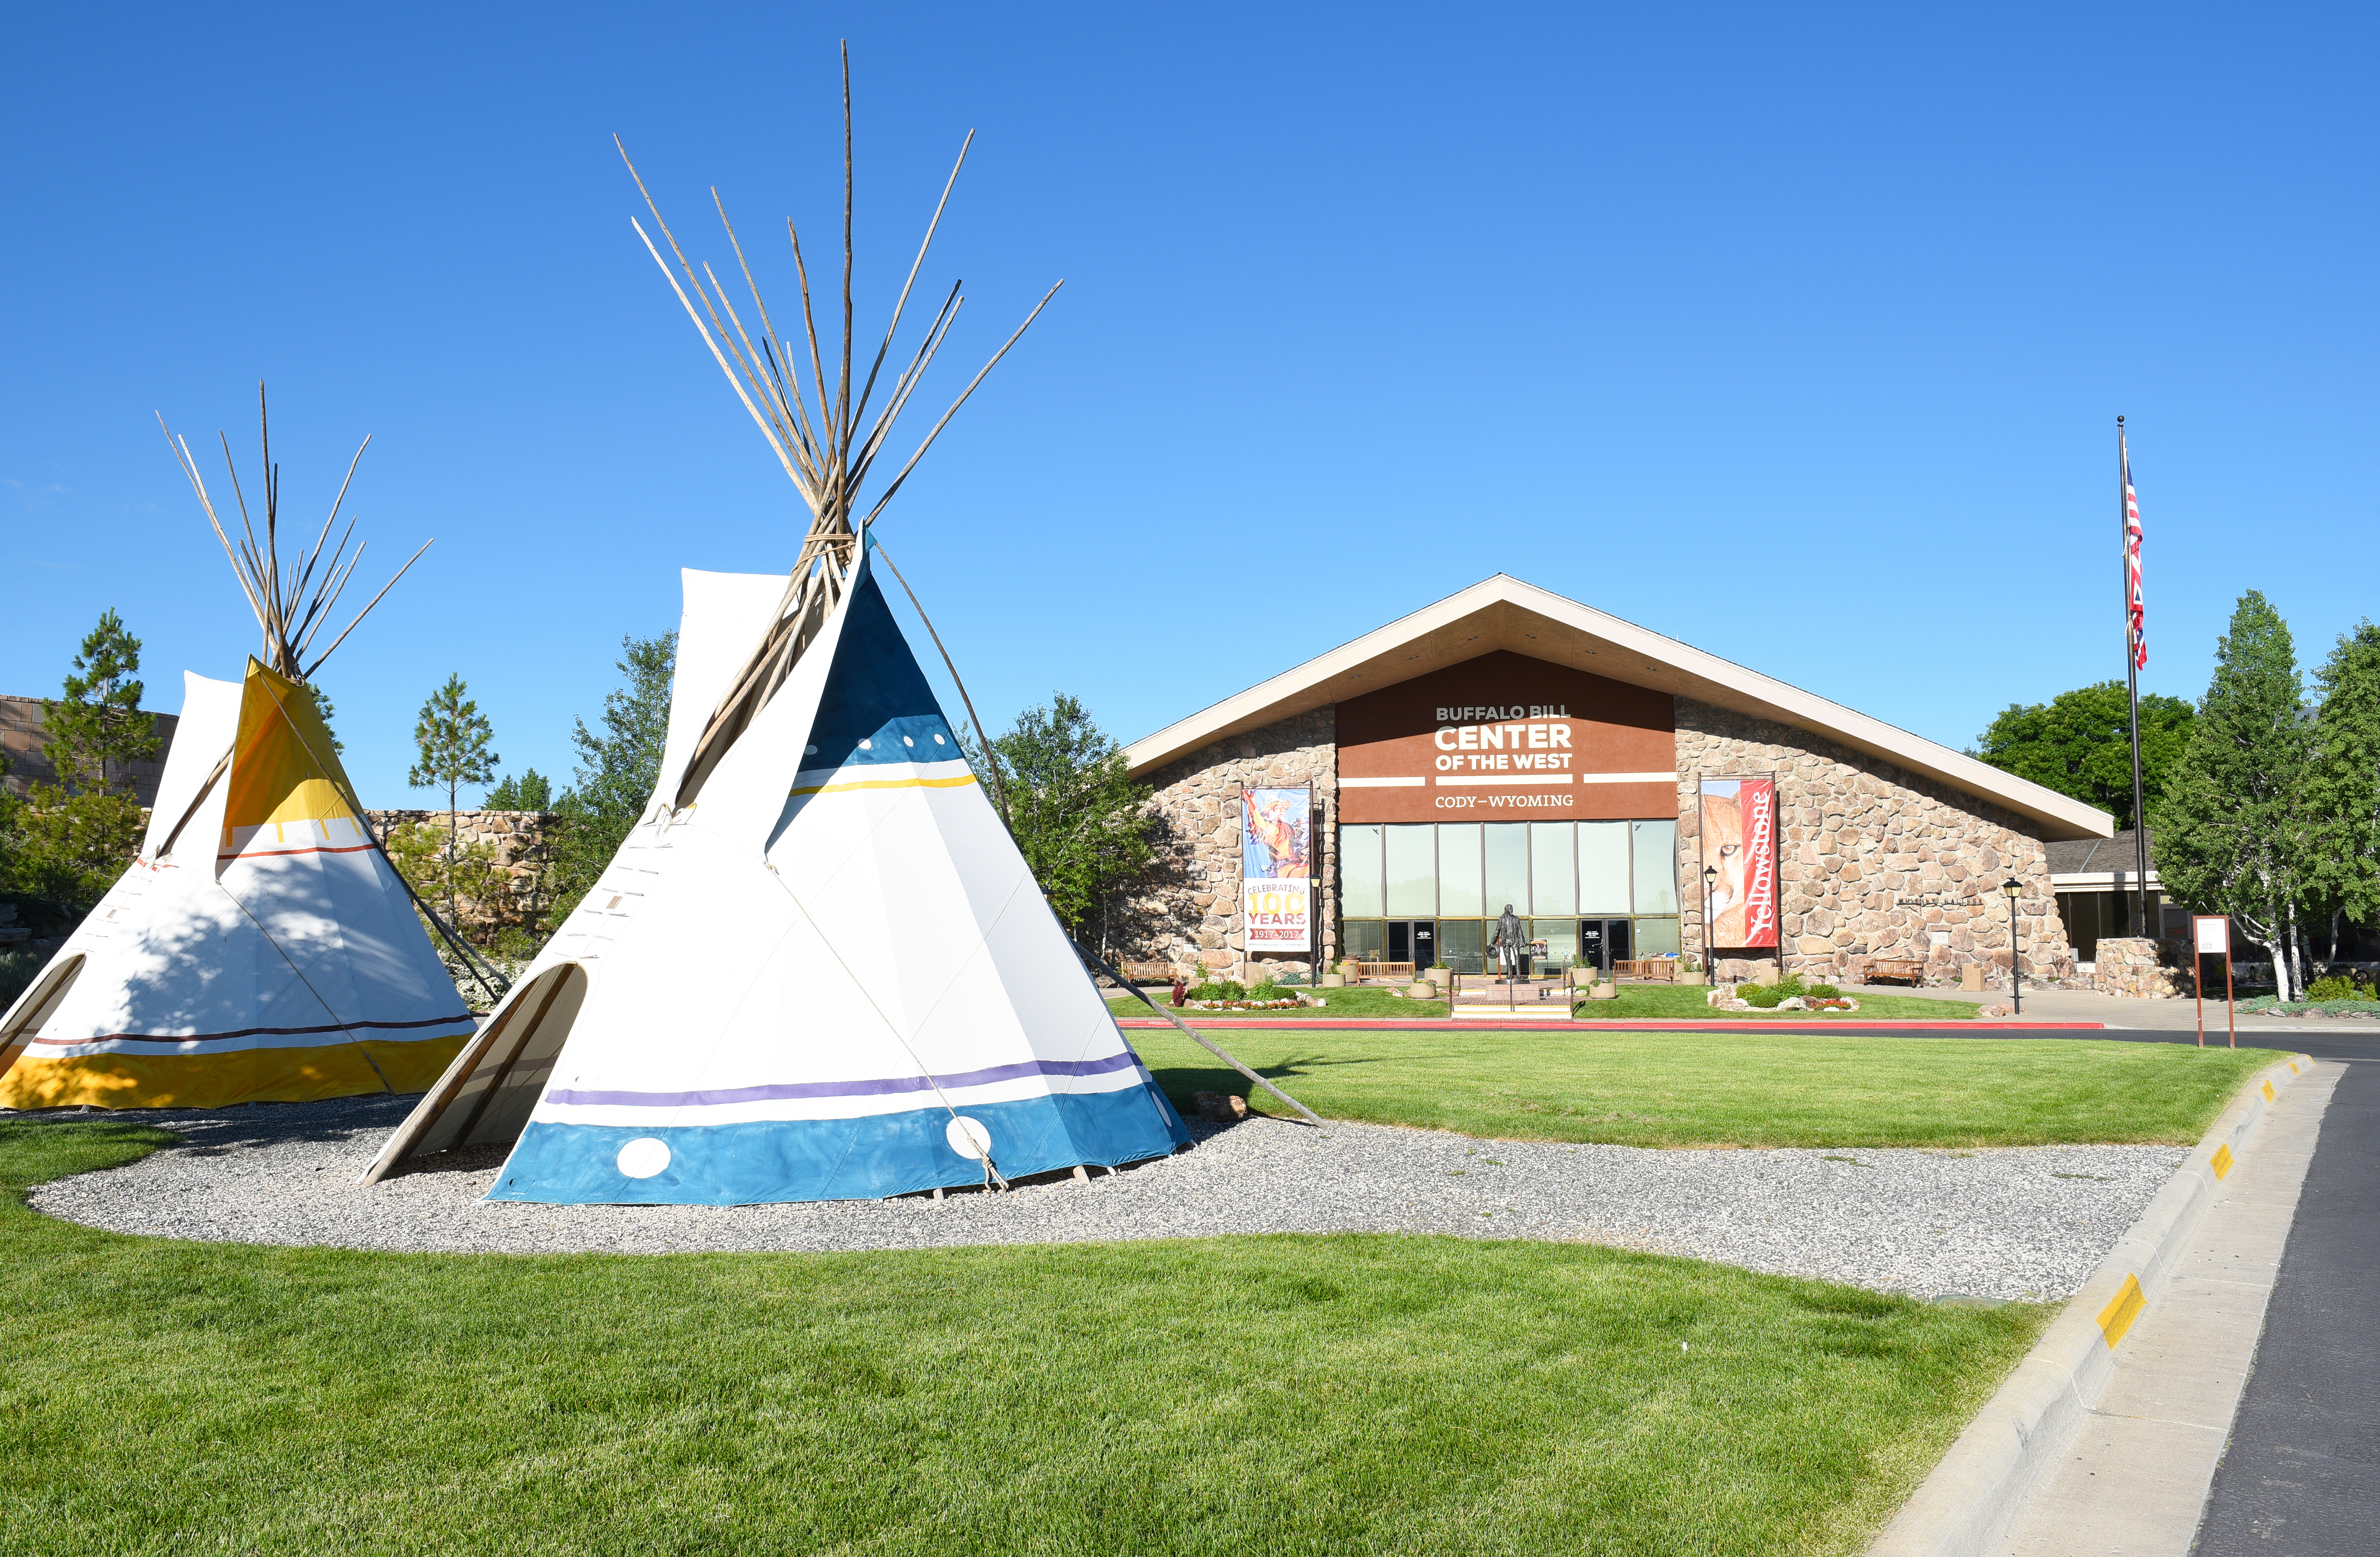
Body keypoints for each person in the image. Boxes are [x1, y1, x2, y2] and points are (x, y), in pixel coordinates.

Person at [1491, 903, 1525, 982]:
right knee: (1508, 959)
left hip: (1515, 941)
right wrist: (1492, 942)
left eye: (1512, 908)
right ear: (1506, 910)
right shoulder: (1501, 919)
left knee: (1517, 958)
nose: (1511, 910)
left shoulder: (1516, 919)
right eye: (1510, 909)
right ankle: (1509, 975)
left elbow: (1520, 931)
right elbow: (1497, 931)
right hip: (1506, 942)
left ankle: (1518, 975)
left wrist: (1523, 941)